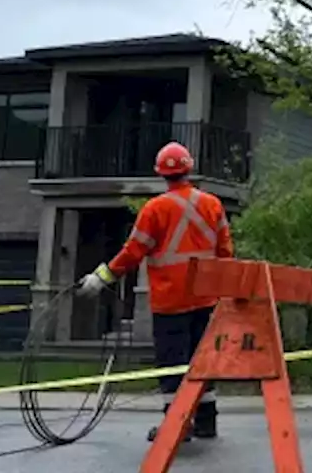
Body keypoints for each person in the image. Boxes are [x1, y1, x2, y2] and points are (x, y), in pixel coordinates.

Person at [77, 141, 234, 442]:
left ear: (161, 173)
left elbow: (133, 252)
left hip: (171, 301)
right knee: (202, 362)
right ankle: (205, 422)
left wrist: (101, 277)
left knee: (173, 364)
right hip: (206, 298)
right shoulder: (213, 204)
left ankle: (176, 427)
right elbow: (226, 251)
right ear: (189, 168)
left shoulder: (155, 209)